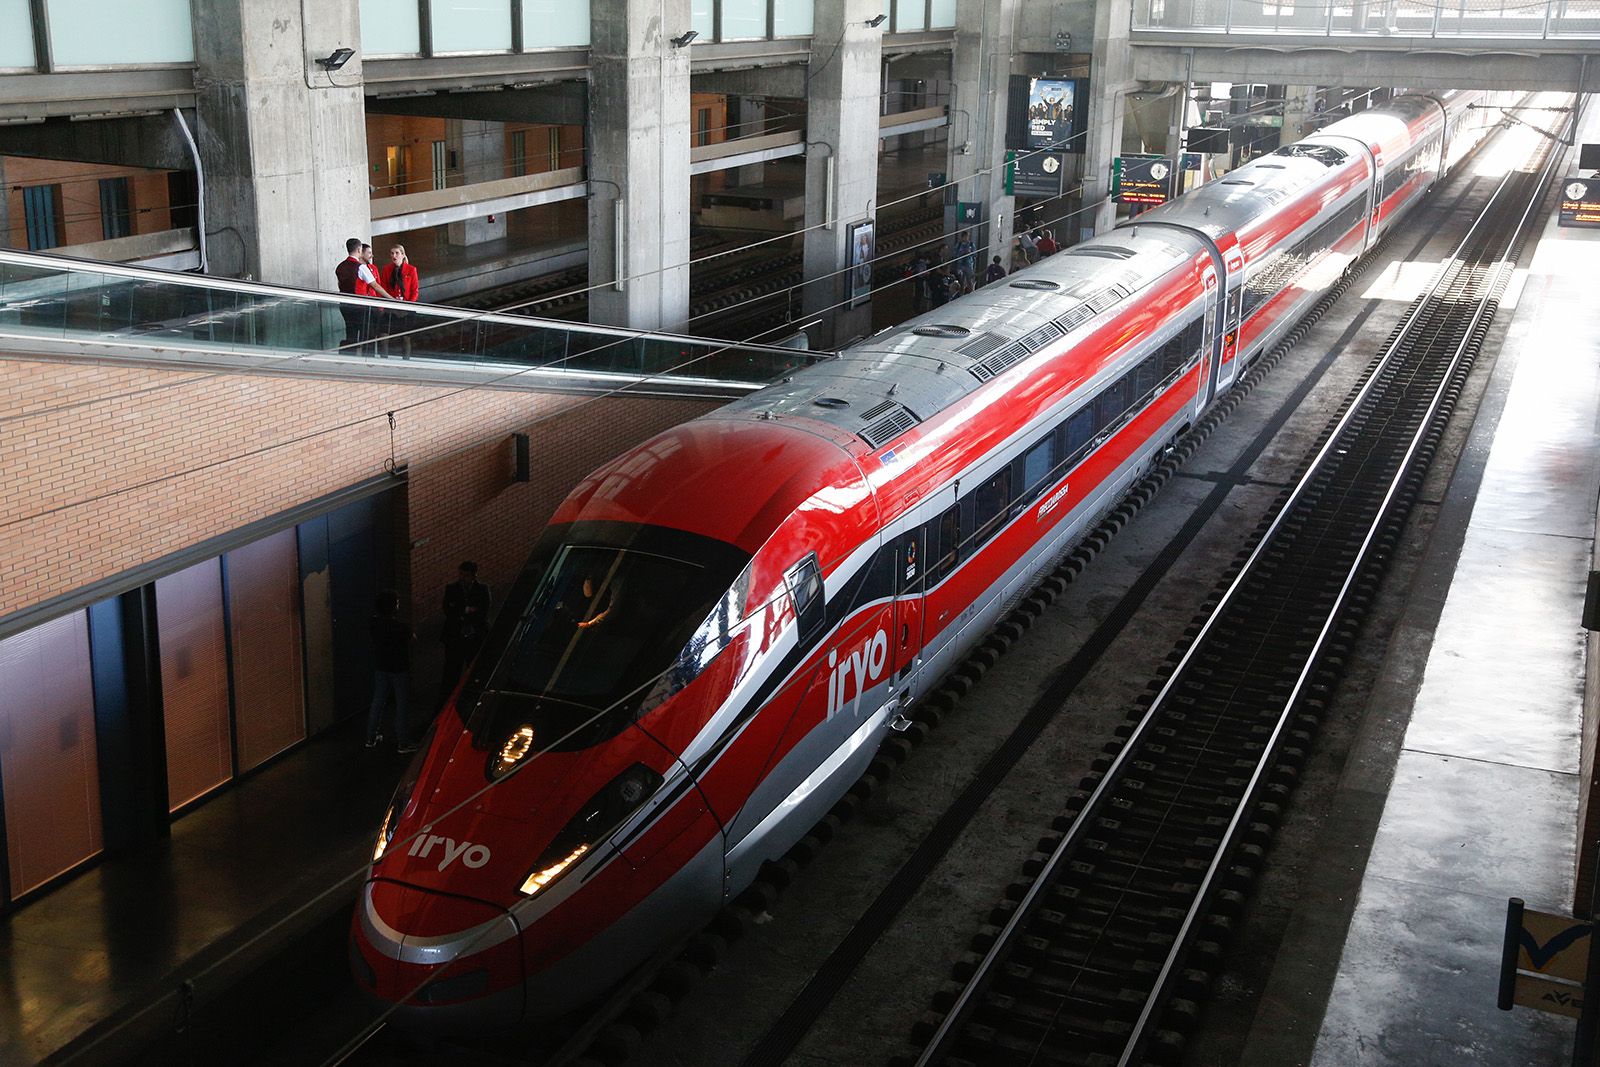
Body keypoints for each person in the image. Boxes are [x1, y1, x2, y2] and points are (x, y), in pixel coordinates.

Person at [367, 590, 415, 752]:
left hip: (381, 667)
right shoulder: (401, 627)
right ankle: (403, 742)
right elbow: (412, 639)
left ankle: (371, 737)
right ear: (393, 607)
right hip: (399, 669)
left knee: (378, 701)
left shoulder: (373, 624)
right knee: (402, 704)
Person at [439, 560, 492, 707]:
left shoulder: (482, 589)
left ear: (474, 575)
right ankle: (448, 701)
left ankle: (472, 698)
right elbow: (447, 609)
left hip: (474, 636)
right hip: (455, 637)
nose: (462, 578)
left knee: (473, 669)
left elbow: (483, 611)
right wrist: (468, 610)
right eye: (461, 574)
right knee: (451, 670)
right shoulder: (451, 589)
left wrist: (461, 611)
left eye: (466, 575)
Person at [380, 244, 421, 357]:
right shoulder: (386, 269)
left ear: (403, 255)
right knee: (384, 336)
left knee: (406, 338)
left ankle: (406, 361)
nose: (394, 256)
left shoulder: (411, 270)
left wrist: (408, 306)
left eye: (397, 253)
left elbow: (415, 290)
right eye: (392, 253)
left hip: (406, 308)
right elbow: (383, 289)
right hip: (391, 308)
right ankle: (383, 361)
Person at [334, 238, 364, 348]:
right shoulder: (360, 267)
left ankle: (350, 355)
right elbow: (374, 285)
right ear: (359, 249)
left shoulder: (340, 267)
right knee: (364, 334)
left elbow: (340, 284)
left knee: (350, 333)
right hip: (359, 306)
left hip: (344, 304)